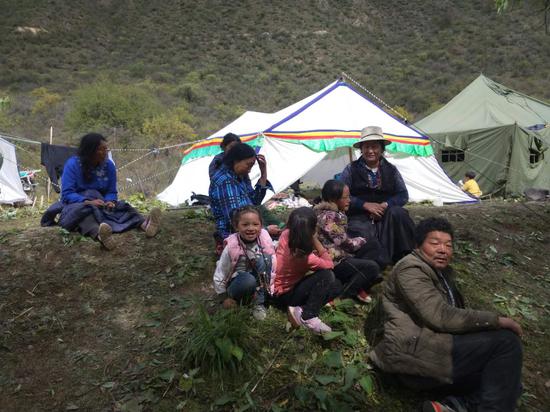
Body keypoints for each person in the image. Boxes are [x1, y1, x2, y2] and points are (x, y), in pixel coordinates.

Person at [369, 217, 523, 412]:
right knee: (506, 343)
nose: (443, 249)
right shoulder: (410, 268)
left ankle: (453, 406)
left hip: (436, 349)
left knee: (508, 379)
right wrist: (496, 321)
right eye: (434, 243)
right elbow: (440, 316)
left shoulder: (442, 273)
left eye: (448, 245)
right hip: (413, 354)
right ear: (417, 245)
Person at [54, 133, 161, 250]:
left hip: (102, 204)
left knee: (124, 207)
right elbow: (67, 193)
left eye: (106, 148)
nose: (106, 152)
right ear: (90, 151)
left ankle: (146, 225)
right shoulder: (72, 165)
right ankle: (101, 235)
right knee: (83, 216)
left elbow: (111, 190)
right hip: (79, 205)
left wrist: (110, 201)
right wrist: (88, 201)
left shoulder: (109, 166)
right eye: (102, 149)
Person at [340, 125, 414, 264]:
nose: (370, 151)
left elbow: (403, 194)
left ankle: (404, 258)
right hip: (359, 215)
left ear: (381, 149)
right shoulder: (351, 169)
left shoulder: (391, 170)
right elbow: (340, 194)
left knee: (399, 214)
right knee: (362, 234)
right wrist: (365, 205)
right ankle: (374, 264)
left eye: (374, 147)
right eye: (366, 147)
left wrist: (385, 205)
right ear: (361, 149)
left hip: (386, 212)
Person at [273, 207, 341, 335]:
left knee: (336, 286)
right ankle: (308, 315)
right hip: (287, 296)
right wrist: (315, 241)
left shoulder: (285, 235)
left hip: (277, 291)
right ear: (313, 230)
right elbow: (330, 264)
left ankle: (298, 309)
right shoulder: (305, 257)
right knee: (328, 276)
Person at [314, 179, 384, 303]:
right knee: (372, 268)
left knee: (373, 245)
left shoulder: (335, 213)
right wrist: (361, 240)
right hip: (335, 261)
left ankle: (358, 283)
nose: (349, 200)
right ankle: (345, 295)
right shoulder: (328, 217)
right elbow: (346, 243)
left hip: (342, 253)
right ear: (333, 199)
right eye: (345, 197)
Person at [209, 142, 281, 245]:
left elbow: (255, 201)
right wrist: (265, 230)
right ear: (236, 161)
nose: (249, 170)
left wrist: (263, 171)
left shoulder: (240, 176)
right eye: (248, 165)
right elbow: (234, 220)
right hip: (233, 235)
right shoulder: (225, 181)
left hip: (247, 227)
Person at [213, 206, 276, 321]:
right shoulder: (231, 246)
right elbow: (220, 272)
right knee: (248, 280)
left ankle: (259, 303)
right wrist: (223, 297)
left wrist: (273, 286)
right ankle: (239, 299)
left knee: (266, 258)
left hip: (258, 280)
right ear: (236, 226)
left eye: (255, 224)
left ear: (261, 226)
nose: (251, 228)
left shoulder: (265, 239)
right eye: (245, 225)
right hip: (239, 282)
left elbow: (272, 266)